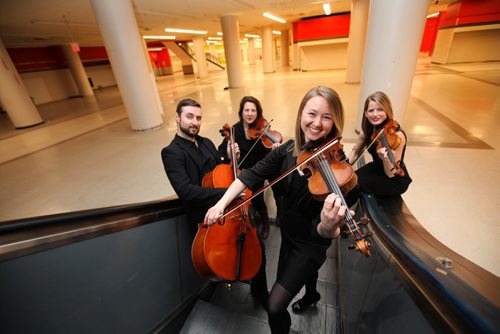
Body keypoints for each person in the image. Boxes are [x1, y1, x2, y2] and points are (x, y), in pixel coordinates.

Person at [204, 86, 356, 333]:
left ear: (335, 121)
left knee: (275, 306)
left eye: (326, 117)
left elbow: (329, 232)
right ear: (301, 114)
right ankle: (312, 293)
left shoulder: (338, 167)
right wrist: (220, 204)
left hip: (309, 244)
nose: (317, 123)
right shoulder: (287, 150)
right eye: (312, 114)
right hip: (287, 235)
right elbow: (251, 175)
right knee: (293, 279)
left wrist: (328, 227)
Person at [161, 98, 268, 307]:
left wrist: (228, 156)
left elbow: (218, 168)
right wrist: (229, 193)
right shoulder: (172, 152)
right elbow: (186, 191)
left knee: (257, 246)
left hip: (228, 208)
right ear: (177, 118)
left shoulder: (207, 143)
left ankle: (260, 292)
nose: (195, 122)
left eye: (198, 118)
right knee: (224, 254)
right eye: (189, 116)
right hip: (209, 217)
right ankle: (225, 281)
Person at [218, 96, 283, 239]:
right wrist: (231, 154)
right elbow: (221, 152)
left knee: (279, 186)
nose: (250, 113)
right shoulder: (234, 130)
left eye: (253, 110)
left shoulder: (262, 125)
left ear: (258, 112)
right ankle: (265, 221)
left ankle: (280, 213)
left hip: (267, 163)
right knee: (257, 195)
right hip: (253, 170)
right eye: (246, 110)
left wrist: (275, 150)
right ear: (241, 112)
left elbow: (270, 144)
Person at [348, 91, 412, 196]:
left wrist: (385, 159)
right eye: (371, 110)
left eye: (380, 109)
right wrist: (344, 169)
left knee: (355, 185)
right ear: (365, 113)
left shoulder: (397, 135)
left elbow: (391, 173)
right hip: (376, 168)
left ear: (387, 111)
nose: (375, 114)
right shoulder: (367, 130)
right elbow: (355, 152)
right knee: (349, 179)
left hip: (393, 179)